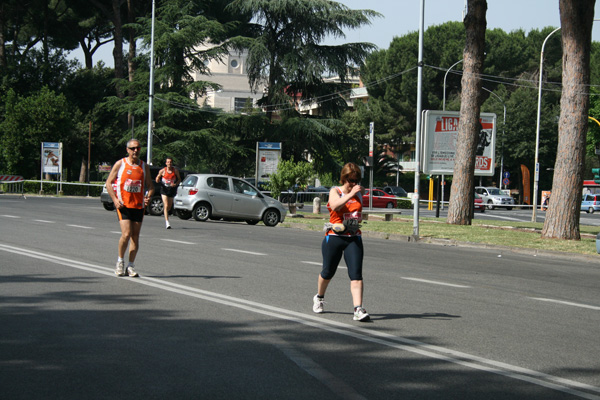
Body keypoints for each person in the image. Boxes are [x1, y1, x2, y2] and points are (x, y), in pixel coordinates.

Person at [312, 162, 370, 321]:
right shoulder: (335, 191)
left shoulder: (359, 191)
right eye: (351, 180)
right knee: (328, 272)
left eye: (356, 180)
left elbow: (363, 192)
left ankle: (358, 309)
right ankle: (319, 297)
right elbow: (335, 206)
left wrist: (357, 191)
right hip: (334, 237)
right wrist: (350, 194)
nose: (354, 184)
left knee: (356, 275)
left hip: (353, 237)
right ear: (343, 179)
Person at [105, 139, 154, 277]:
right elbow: (109, 183)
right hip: (124, 205)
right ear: (127, 150)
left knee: (135, 237)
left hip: (138, 206)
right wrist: (115, 200)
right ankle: (120, 262)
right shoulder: (120, 164)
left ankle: (130, 266)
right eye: (132, 148)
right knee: (126, 234)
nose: (135, 151)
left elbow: (150, 186)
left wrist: (148, 196)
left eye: (138, 148)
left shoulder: (144, 166)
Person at [155, 157, 181, 229]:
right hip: (164, 189)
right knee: (166, 205)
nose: (169, 163)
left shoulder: (175, 171)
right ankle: (167, 222)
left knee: (169, 206)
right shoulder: (162, 171)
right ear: (166, 163)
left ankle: (165, 213)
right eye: (168, 162)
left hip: (171, 189)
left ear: (172, 163)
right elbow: (157, 178)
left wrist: (175, 184)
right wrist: (157, 179)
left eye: (170, 162)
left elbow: (179, 179)